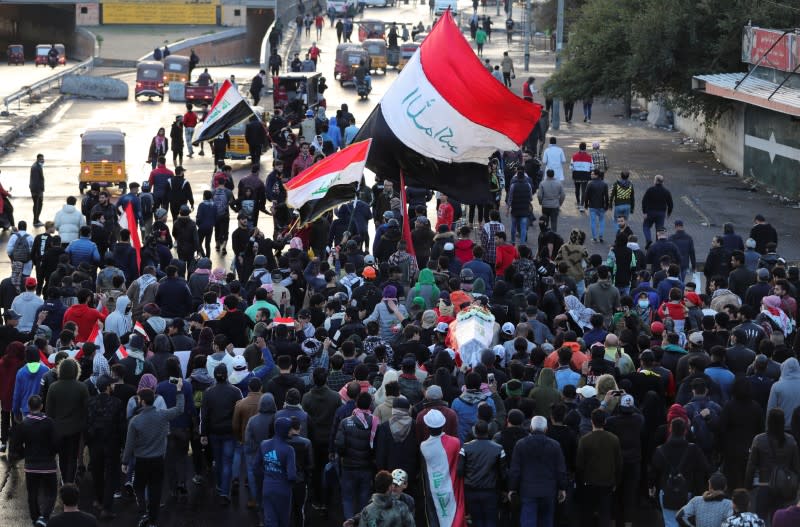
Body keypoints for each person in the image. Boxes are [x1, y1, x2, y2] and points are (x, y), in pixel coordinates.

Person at [122, 378, 186, 527]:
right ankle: (153, 519)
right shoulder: (162, 415)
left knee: (138, 486)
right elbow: (180, 408)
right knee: (156, 489)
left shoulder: (135, 421)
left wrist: (125, 461)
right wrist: (179, 390)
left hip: (141, 460)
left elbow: (129, 444)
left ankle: (143, 510)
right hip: (158, 459)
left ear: (143, 401)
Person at [508, 415, 567, 527]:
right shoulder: (555, 445)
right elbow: (560, 469)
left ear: (530, 427)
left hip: (527, 490)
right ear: (546, 429)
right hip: (549, 490)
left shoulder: (520, 444)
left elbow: (515, 470)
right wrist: (562, 487)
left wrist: (512, 488)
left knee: (528, 522)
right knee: (546, 521)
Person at [10, 393, 59, 527]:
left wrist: (24, 454)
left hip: (31, 465)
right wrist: (52, 453)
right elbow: (56, 443)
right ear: (42, 406)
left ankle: (35, 517)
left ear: (29, 407)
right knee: (51, 492)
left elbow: (15, 446)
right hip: (48, 464)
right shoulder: (49, 423)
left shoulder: (23, 424)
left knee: (32, 493)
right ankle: (45, 517)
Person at [420, 409, 467, 527]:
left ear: (427, 426)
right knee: (455, 516)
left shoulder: (423, 446)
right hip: (452, 486)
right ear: (443, 425)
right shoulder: (455, 442)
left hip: (435, 487)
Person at [458, 420, 506, 527]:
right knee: (491, 520)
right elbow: (503, 473)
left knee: (476, 521)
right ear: (488, 431)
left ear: (475, 432)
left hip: (471, 490)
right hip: (491, 491)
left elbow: (460, 470)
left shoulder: (465, 447)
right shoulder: (498, 448)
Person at [255, 417, 297, 527]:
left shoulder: (264, 444)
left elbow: (256, 467)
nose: (292, 431)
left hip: (267, 487)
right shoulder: (289, 450)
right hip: (283, 489)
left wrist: (266, 477)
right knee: (283, 521)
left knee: (270, 521)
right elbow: (292, 475)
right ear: (284, 430)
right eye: (290, 429)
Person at [641, 175, 674, 246]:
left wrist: (644, 212)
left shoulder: (650, 190)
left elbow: (644, 201)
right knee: (659, 229)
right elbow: (670, 204)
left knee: (646, 226)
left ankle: (648, 239)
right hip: (661, 213)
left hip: (650, 212)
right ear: (662, 182)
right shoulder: (666, 192)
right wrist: (668, 213)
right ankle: (658, 245)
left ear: (655, 181)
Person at [583, 169, 609, 243]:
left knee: (593, 222)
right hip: (601, 206)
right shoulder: (604, 184)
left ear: (596, 175)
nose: (591, 175)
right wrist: (607, 205)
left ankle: (594, 237)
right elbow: (606, 196)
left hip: (592, 206)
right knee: (602, 221)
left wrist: (586, 204)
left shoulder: (590, 183)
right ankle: (601, 236)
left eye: (592, 174)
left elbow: (586, 195)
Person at [29, 153, 45, 227]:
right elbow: (35, 181)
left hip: (38, 190)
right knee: (37, 205)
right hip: (36, 190)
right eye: (41, 159)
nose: (43, 160)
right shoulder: (35, 167)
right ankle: (35, 221)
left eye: (43, 159)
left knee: (39, 204)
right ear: (37, 159)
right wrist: (38, 192)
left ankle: (37, 219)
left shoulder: (38, 166)